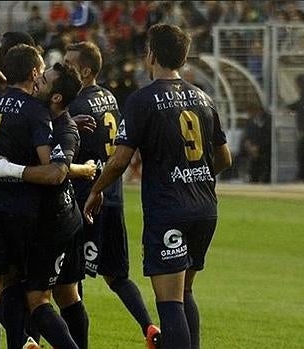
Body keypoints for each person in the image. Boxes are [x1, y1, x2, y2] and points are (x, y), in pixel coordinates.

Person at [84, 24, 232, 349]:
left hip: (169, 209)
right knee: (185, 292)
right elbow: (224, 158)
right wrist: (196, 175)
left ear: (151, 54)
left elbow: (120, 160)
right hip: (205, 208)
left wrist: (96, 190)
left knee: (169, 302)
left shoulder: (143, 100)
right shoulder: (204, 99)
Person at [0, 62, 92, 349]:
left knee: (36, 298)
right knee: (64, 293)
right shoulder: (39, 113)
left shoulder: (65, 128)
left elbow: (56, 173)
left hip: (52, 223)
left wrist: (10, 169)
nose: (36, 81)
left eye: (43, 80)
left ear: (56, 97)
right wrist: (82, 169)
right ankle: (28, 342)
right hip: (51, 218)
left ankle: (28, 342)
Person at [63, 41, 161, 348]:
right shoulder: (108, 97)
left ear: (86, 70)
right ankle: (149, 328)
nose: (64, 67)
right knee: (117, 275)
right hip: (114, 197)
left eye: (69, 63)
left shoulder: (76, 105)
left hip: (86, 199)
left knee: (70, 282)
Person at [241, 104, 271, 183]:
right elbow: (246, 136)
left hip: (263, 150)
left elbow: (268, 138)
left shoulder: (267, 121)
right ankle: (252, 178)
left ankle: (264, 180)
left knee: (264, 160)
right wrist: (248, 146)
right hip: (251, 149)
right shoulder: (250, 122)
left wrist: (258, 147)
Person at [289, 74, 304, 181]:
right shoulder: (303, 96)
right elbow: (296, 105)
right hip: (303, 133)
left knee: (302, 156)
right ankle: (301, 176)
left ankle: (300, 177)